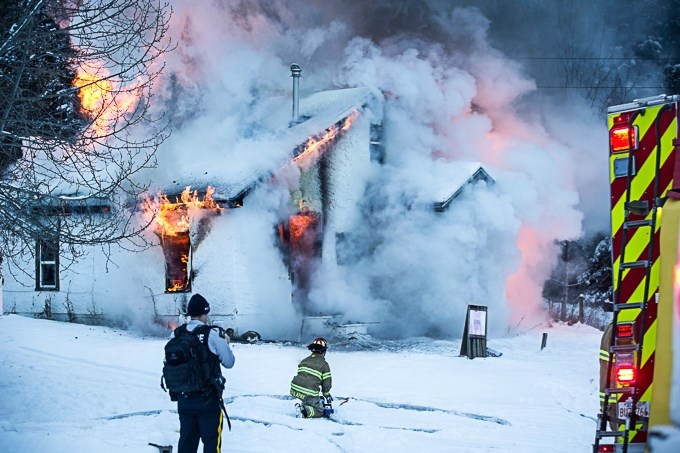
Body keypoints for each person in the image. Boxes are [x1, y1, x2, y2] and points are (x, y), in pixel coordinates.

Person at [174, 294, 235, 453]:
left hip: (184, 398)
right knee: (211, 443)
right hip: (208, 399)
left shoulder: (177, 334)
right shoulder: (212, 334)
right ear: (204, 313)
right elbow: (229, 362)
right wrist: (225, 343)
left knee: (187, 441)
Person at [290, 337, 333, 418]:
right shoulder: (324, 364)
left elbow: (305, 377)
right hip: (308, 392)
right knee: (320, 411)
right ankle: (304, 411)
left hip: (295, 389)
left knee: (309, 399)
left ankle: (306, 404)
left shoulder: (304, 360)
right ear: (323, 351)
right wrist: (326, 394)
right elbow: (327, 383)